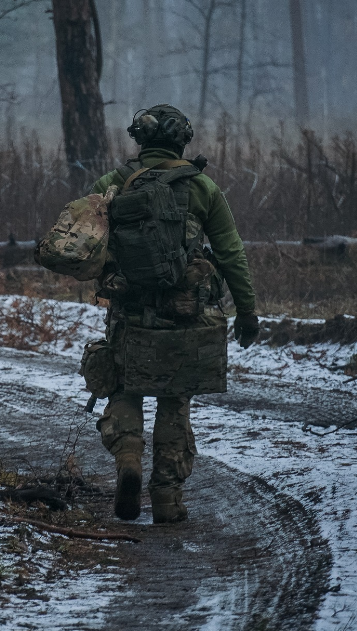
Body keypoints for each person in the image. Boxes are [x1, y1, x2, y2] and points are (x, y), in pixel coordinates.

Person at [89, 104, 260, 524]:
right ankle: (167, 497)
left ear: (140, 140)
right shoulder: (202, 188)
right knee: (174, 399)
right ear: (182, 141)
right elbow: (231, 253)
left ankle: (129, 459)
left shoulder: (112, 184)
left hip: (129, 314)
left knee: (124, 389)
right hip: (184, 316)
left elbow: (83, 247)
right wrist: (247, 311)